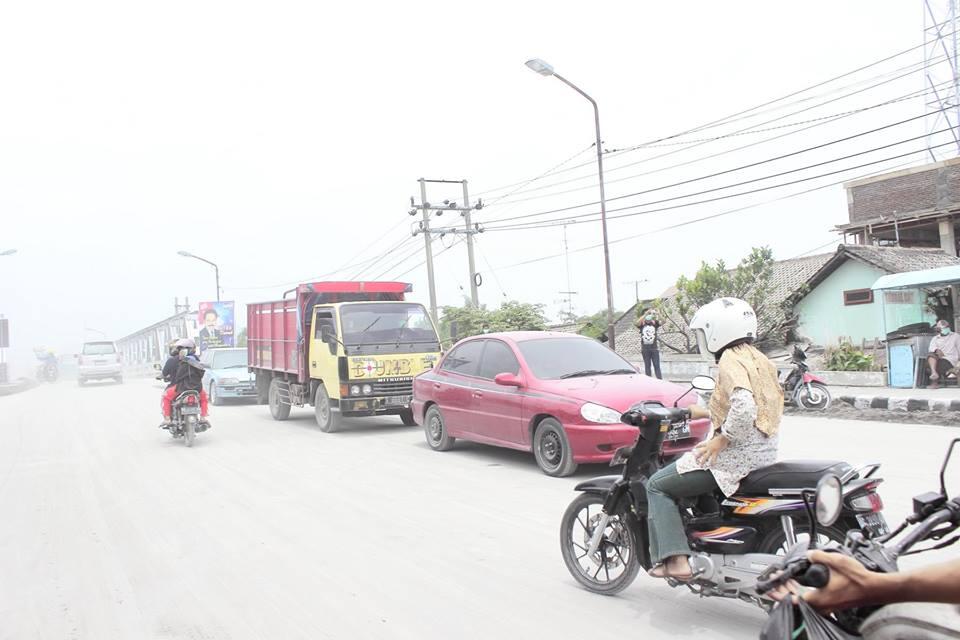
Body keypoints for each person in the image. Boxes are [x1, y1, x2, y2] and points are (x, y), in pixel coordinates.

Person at [645, 297, 784, 579]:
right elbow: (754, 405)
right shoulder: (760, 359)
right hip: (762, 455)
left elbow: (744, 406)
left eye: (703, 332)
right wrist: (704, 411)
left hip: (733, 459)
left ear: (717, 331)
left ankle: (676, 560)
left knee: (657, 485)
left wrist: (722, 439)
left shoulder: (730, 360)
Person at [160, 338, 210, 429]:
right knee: (204, 398)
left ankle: (167, 419)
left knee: (166, 397)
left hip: (180, 387)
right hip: (196, 387)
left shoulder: (175, 360)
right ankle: (203, 417)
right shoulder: (196, 360)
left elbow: (166, 374)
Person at [928, 319, 960, 389]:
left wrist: (958, 363)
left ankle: (934, 380)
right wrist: (936, 350)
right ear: (938, 330)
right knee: (931, 356)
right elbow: (931, 349)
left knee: (938, 363)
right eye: (943, 328)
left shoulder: (955, 336)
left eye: (946, 327)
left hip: (950, 359)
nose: (945, 329)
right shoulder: (935, 339)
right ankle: (934, 373)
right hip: (938, 358)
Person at [635, 308, 663, 379]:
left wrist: (658, 313)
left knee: (657, 366)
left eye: (649, 314)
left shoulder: (654, 323)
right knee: (647, 366)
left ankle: (659, 380)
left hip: (654, 348)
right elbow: (637, 323)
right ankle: (649, 381)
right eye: (648, 314)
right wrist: (645, 314)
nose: (649, 315)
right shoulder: (642, 324)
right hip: (645, 349)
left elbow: (664, 321)